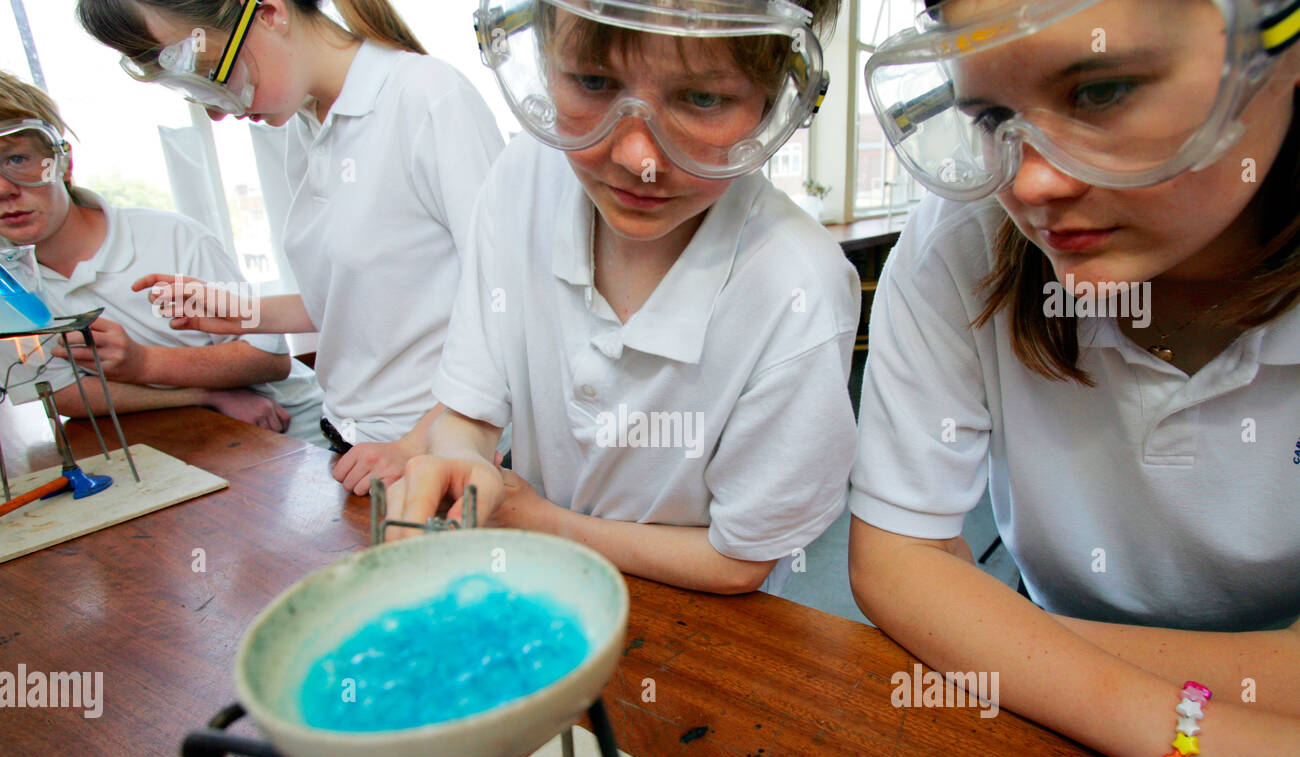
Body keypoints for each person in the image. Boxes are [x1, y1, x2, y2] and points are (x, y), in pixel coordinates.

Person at [848, 0, 1300, 757]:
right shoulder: (960, 244)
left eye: (1101, 91)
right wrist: (1204, 741)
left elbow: (933, 600)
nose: (1030, 183)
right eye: (988, 116)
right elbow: (898, 564)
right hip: (1058, 732)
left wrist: (995, 640)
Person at [386, 0, 859, 595]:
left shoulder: (797, 288)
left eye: (703, 99)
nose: (639, 159)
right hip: (533, 589)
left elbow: (739, 560)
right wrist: (464, 463)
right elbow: (471, 409)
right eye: (592, 81)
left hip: (701, 627)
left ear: (773, 100)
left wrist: (541, 521)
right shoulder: (523, 178)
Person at [77, 0, 504, 490]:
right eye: (190, 92)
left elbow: (510, 310)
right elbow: (366, 299)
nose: (218, 111)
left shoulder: (426, 96)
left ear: (271, 12)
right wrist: (243, 313)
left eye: (207, 73)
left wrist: (418, 443)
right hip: (358, 446)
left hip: (441, 454)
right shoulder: (310, 125)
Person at [0, 71, 322, 439]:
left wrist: (142, 363)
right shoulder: (7, 287)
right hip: (187, 439)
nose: (4, 189)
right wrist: (204, 394)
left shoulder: (172, 237)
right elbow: (64, 395)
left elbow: (269, 358)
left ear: (63, 163)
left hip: (297, 431)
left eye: (18, 159)